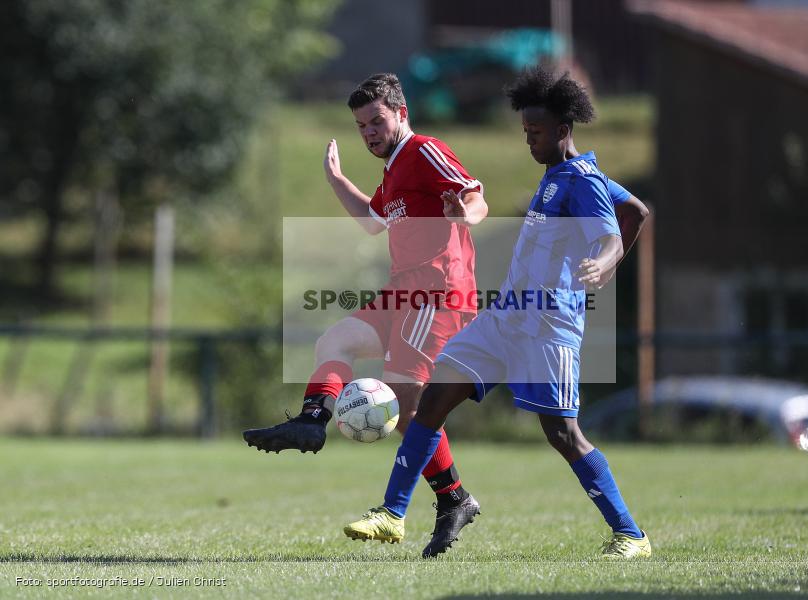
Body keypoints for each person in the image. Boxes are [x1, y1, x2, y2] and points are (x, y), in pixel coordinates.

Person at [343, 67, 652, 559]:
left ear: (563, 130)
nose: (528, 141)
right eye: (525, 131)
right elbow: (636, 209)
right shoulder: (560, 176)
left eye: (536, 133)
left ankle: (631, 534)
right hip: (503, 318)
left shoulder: (582, 181)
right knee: (432, 399)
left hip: (548, 325)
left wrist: (608, 261)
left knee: (563, 434)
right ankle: (392, 512)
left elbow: (614, 231)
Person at [242, 73, 489, 550]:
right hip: (404, 290)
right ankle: (313, 421)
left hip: (436, 293)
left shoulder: (422, 151)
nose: (370, 131)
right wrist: (336, 179)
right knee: (334, 342)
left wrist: (466, 213)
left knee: (407, 402)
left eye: (377, 120)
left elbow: (475, 198)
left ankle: (444, 501)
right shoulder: (394, 169)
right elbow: (373, 222)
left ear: (402, 114)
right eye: (361, 126)